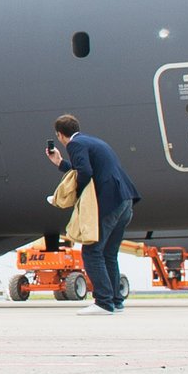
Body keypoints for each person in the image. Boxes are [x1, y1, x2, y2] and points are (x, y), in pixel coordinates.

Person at [46, 114, 142, 315]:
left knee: (91, 251)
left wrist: (74, 195)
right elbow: (87, 168)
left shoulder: (75, 145)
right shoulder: (93, 141)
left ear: (60, 135)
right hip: (124, 201)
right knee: (108, 253)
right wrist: (60, 163)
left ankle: (103, 303)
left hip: (109, 203)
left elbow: (86, 173)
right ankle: (116, 301)